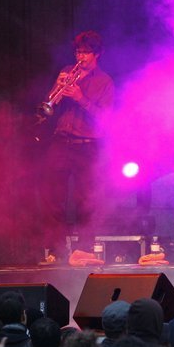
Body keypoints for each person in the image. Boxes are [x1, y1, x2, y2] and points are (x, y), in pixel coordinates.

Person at [41, 30, 114, 262]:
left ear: (97, 54)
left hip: (87, 145)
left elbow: (105, 118)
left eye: (85, 52)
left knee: (85, 199)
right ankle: (55, 249)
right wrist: (57, 88)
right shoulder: (66, 71)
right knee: (53, 196)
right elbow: (49, 103)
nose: (80, 57)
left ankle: (84, 250)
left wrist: (80, 98)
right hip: (61, 141)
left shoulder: (105, 82)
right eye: (78, 52)